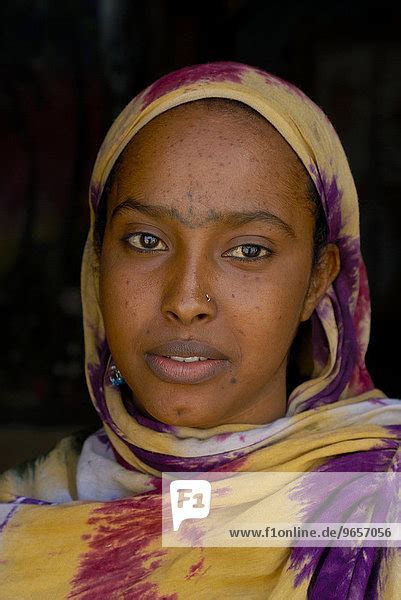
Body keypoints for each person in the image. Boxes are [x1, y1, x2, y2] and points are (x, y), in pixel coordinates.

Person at [1, 61, 401, 599]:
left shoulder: (380, 503)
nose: (186, 301)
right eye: (145, 241)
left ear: (315, 281)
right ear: (97, 264)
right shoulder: (25, 509)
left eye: (248, 251)